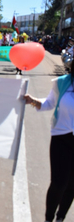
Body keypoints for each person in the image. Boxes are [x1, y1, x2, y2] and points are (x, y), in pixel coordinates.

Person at [24, 60, 74, 222]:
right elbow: (49, 103)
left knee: (72, 185)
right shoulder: (62, 83)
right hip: (62, 137)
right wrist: (32, 100)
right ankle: (48, 218)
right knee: (58, 183)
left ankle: (60, 218)